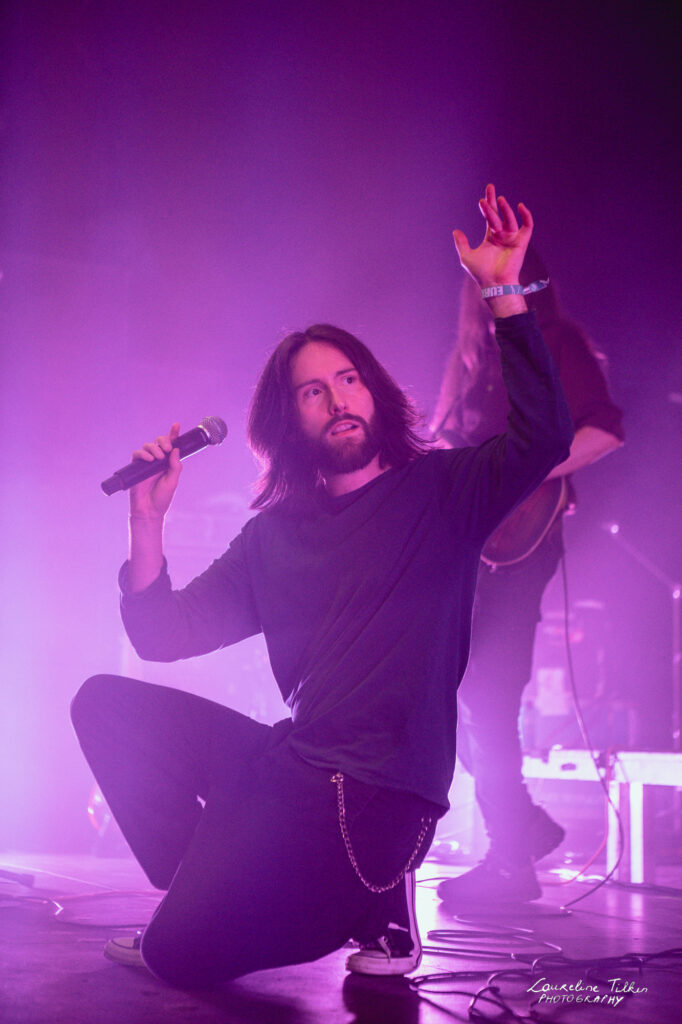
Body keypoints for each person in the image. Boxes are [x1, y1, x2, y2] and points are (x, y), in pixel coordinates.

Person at [70, 185, 573, 988]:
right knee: (104, 705)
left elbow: (545, 435)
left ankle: (367, 901)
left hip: (377, 803)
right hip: (290, 769)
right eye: (313, 391)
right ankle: (199, 896)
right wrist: (147, 522)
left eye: (349, 379)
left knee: (172, 959)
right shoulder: (273, 537)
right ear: (289, 419)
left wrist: (503, 291)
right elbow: (160, 637)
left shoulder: (442, 491)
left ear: (373, 392)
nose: (338, 399)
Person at [431, 247, 624, 910]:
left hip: (521, 542)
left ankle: (512, 858)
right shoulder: (469, 362)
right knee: (452, 690)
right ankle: (522, 830)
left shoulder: (557, 341)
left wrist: (529, 471)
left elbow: (605, 431)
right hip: (469, 545)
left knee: (487, 691)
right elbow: (450, 453)